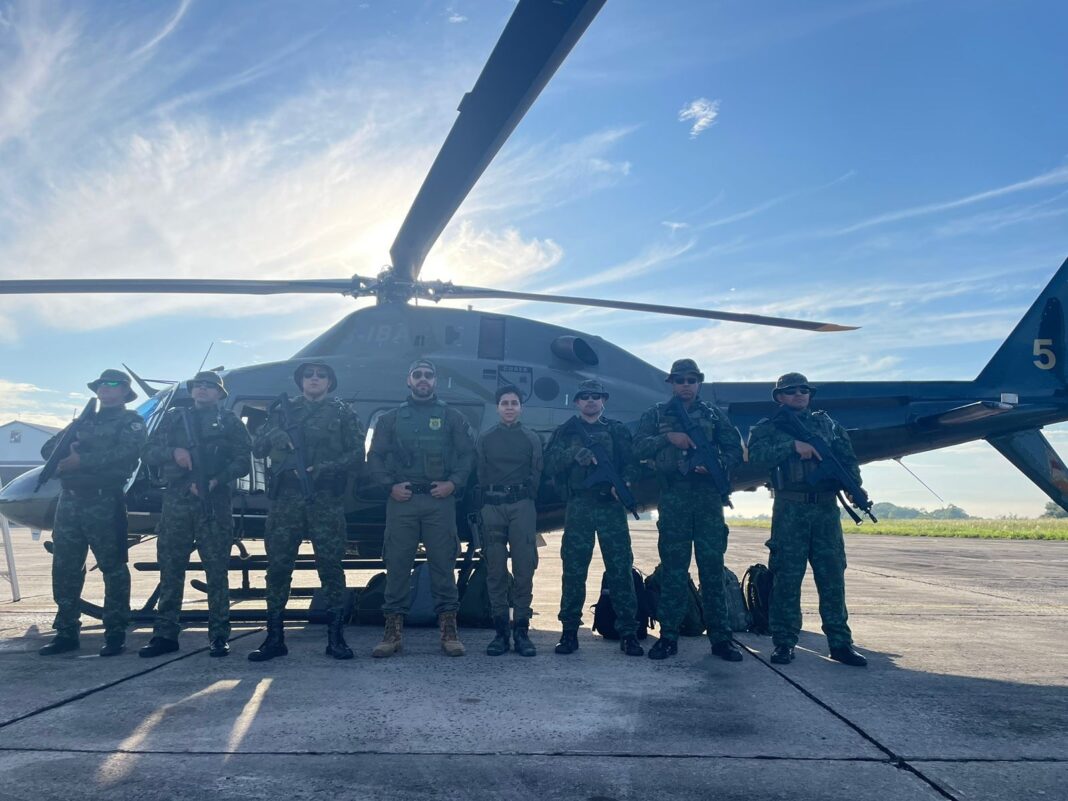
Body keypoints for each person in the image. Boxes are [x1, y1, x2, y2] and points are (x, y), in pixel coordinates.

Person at [746, 372, 868, 667]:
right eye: (791, 391)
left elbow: (846, 458)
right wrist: (792, 446)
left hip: (825, 509)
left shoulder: (828, 425)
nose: (799, 394)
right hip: (790, 508)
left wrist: (854, 487)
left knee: (832, 576)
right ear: (779, 397)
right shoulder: (769, 427)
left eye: (804, 390)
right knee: (787, 578)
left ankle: (840, 643)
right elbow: (755, 456)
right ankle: (784, 643)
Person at [248, 361, 365, 662]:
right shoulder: (281, 412)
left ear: (330, 382)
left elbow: (357, 455)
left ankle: (336, 638)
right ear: (300, 381)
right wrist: (275, 434)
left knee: (331, 567)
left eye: (321, 375)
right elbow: (257, 447)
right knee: (278, 567)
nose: (314, 379)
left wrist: (325, 467)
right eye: (309, 375)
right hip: (286, 499)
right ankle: (274, 637)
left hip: (325, 498)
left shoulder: (343, 413)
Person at [634, 358, 745, 662]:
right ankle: (668, 637)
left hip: (708, 500)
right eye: (680, 380)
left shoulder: (713, 415)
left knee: (712, 571)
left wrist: (715, 465)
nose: (686, 385)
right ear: (671, 383)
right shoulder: (656, 414)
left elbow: (735, 450)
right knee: (673, 571)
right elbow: (637, 447)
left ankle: (721, 639)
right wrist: (668, 438)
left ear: (699, 383)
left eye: (691, 380)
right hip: (674, 498)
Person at [366, 359, 475, 658]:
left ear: (435, 381)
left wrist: (453, 483)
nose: (423, 379)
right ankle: (392, 633)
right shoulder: (390, 419)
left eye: (428, 375)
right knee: (397, 564)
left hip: (439, 501)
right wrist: (389, 486)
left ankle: (449, 632)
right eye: (418, 375)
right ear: (409, 380)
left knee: (443, 565)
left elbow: (467, 455)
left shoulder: (452, 417)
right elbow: (375, 457)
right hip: (402, 500)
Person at [139, 371, 251, 659]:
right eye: (198, 385)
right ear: (192, 391)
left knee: (216, 571)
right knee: (171, 568)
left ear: (219, 394)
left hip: (214, 503)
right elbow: (148, 451)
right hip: (176, 501)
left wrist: (215, 480)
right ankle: (165, 634)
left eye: (209, 387)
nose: (203, 390)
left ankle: (219, 635)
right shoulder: (174, 418)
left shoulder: (229, 422)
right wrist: (173, 452)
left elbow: (243, 461)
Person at [38, 369, 146, 657]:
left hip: (104, 500)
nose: (105, 388)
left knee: (113, 567)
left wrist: (81, 460)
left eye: (112, 384)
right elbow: (48, 449)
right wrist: (67, 450)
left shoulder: (131, 422)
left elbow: (128, 454)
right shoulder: (82, 422)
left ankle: (115, 633)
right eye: (101, 385)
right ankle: (66, 631)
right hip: (70, 501)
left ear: (124, 391)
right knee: (65, 566)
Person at [545, 378, 643, 657]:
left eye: (596, 396)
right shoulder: (566, 431)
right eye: (585, 396)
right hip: (579, 505)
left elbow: (632, 464)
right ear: (577, 402)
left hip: (610, 507)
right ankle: (569, 632)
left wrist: (623, 484)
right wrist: (574, 454)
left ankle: (628, 632)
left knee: (620, 569)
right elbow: (548, 464)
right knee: (574, 570)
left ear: (604, 401)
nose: (590, 400)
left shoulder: (616, 430)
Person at [474, 385, 543, 657]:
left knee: (525, 568)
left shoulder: (531, 438)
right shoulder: (486, 438)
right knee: (495, 569)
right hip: (492, 507)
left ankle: (522, 631)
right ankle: (501, 632)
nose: (510, 407)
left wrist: (523, 499)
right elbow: (480, 473)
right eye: (505, 403)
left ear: (520, 407)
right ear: (498, 407)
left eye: (514, 403)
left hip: (522, 506)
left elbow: (536, 472)